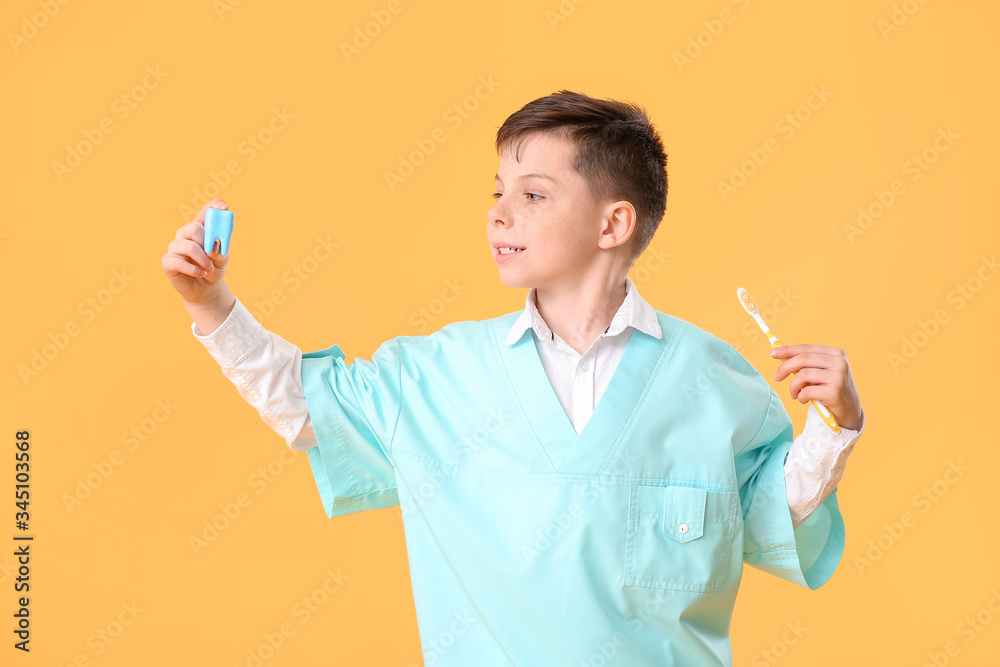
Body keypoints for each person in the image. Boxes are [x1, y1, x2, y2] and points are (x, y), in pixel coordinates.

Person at [162, 90, 865, 666]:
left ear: (613, 222)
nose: (499, 212)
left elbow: (772, 509)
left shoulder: (712, 381)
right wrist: (210, 303)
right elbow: (305, 405)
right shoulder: (437, 376)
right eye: (498, 192)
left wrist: (835, 424)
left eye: (533, 195)